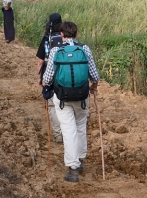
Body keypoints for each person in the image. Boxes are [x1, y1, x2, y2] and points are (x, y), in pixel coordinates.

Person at [42, 21, 100, 183]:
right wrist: (93, 87)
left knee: (68, 131)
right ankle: (80, 159)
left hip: (62, 98)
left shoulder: (55, 51)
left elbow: (47, 78)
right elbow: (94, 76)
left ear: (61, 35)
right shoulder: (85, 49)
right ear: (76, 34)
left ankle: (73, 168)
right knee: (81, 126)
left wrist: (46, 86)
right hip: (82, 97)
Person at [36, 13, 63, 143]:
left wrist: (40, 77)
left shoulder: (47, 38)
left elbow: (41, 60)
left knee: (52, 105)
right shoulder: (66, 37)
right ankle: (67, 131)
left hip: (50, 75)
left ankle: (58, 134)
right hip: (66, 75)